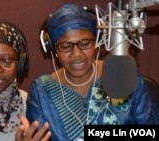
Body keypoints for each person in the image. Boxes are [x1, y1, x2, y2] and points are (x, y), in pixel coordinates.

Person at [26, 3, 159, 141]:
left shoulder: (123, 74)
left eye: (84, 43)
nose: (76, 54)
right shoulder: (41, 91)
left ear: (96, 42)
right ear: (54, 51)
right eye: (65, 46)